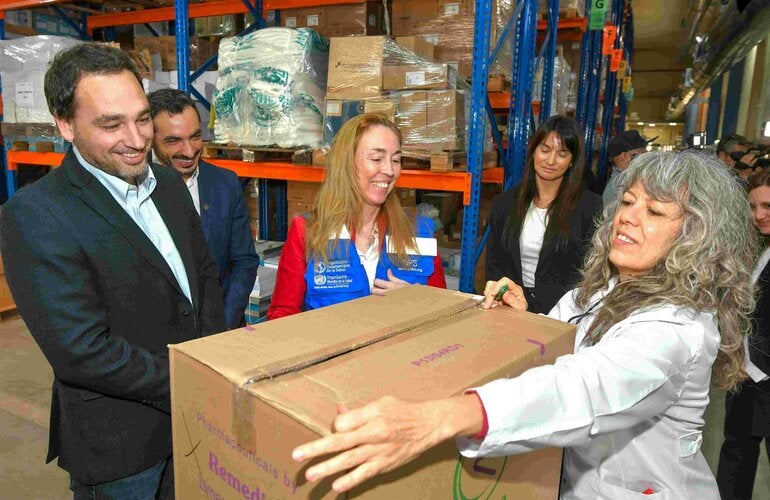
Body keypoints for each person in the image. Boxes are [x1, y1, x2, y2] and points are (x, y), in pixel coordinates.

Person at [291, 151, 758, 499]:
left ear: (697, 236)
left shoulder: (678, 326)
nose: (627, 218)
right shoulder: (600, 291)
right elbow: (557, 348)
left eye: (653, 212)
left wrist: (439, 418)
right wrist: (525, 322)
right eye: (628, 202)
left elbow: (587, 388)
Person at [0, 43, 226, 498]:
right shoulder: (36, 214)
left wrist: (214, 366)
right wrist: (189, 380)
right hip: (122, 445)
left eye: (142, 119)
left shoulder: (168, 184)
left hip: (195, 418)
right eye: (111, 124)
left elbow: (203, 278)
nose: (138, 139)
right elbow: (81, 350)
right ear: (65, 124)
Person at [267, 113, 446, 320]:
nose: (389, 170)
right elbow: (282, 315)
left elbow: (446, 311)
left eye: (396, 160)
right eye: (376, 159)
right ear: (347, 163)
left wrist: (417, 302)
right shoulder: (309, 230)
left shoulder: (418, 230)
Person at [147, 88, 260, 330]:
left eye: (195, 136)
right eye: (173, 140)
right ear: (149, 138)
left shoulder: (225, 184)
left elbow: (244, 261)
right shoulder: (133, 190)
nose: (189, 151)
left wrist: (223, 325)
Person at [486, 115, 601, 313]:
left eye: (562, 154)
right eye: (545, 150)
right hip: (511, 307)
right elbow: (494, 263)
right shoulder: (505, 204)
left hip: (563, 312)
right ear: (533, 151)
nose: (551, 160)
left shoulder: (590, 207)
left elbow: (591, 271)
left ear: (572, 161)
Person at [717, 169, 770, 500]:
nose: (758, 215)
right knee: (736, 456)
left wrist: (754, 366)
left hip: (761, 374)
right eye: (752, 207)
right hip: (746, 376)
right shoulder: (759, 248)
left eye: (767, 206)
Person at [603, 129, 655, 206]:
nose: (646, 155)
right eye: (642, 152)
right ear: (624, 156)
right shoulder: (617, 188)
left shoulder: (628, 180)